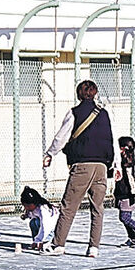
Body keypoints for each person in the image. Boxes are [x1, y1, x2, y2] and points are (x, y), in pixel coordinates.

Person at [42, 80, 121, 258]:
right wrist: (117, 164)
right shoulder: (105, 114)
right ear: (95, 94)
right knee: (97, 208)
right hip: (102, 167)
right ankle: (94, 247)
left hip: (82, 166)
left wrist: (50, 154)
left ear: (79, 94)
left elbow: (61, 137)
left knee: (69, 206)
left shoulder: (74, 113)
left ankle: (58, 244)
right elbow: (113, 139)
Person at [114, 136, 135, 248]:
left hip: (128, 193)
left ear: (124, 149)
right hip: (121, 192)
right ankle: (132, 238)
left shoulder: (127, 162)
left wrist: (134, 194)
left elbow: (130, 178)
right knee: (124, 217)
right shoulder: (120, 160)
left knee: (124, 217)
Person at [20, 186, 59, 251]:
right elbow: (31, 215)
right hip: (43, 226)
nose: (26, 208)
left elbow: (46, 227)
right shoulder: (32, 209)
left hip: (52, 227)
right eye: (25, 206)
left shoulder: (43, 209)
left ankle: (47, 242)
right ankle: (37, 242)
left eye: (28, 206)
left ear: (35, 203)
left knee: (37, 222)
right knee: (33, 222)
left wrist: (41, 240)